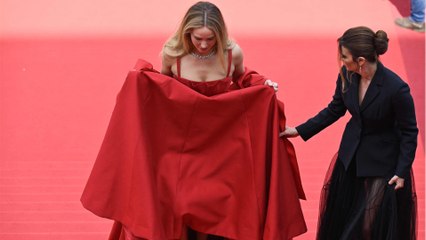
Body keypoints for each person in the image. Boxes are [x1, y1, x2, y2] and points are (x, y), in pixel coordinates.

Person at [81, 1, 306, 240]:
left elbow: (242, 78)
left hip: (222, 137)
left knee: (222, 195)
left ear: (220, 35)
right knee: (179, 195)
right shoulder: (172, 53)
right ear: (187, 32)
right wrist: (139, 84)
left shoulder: (232, 53)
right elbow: (161, 92)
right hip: (182, 142)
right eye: (198, 38)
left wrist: (263, 85)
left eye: (210, 39)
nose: (204, 44)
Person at [282, 26, 418, 239]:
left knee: (365, 226)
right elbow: (335, 109)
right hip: (351, 159)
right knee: (344, 222)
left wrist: (401, 172)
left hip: (382, 167)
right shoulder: (348, 75)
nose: (341, 60)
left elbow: (410, 132)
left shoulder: (396, 88)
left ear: (361, 60)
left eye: (344, 56)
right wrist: (299, 130)